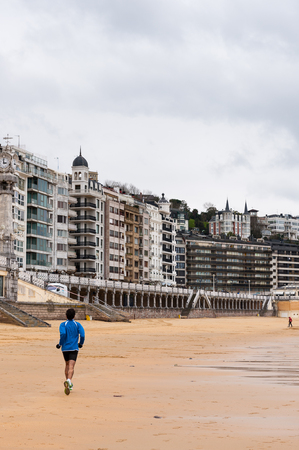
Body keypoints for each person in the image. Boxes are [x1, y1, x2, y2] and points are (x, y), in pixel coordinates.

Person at [56, 308, 85, 395]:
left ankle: (68, 384)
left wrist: (60, 344)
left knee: (67, 365)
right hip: (74, 348)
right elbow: (82, 335)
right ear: (74, 316)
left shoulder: (63, 324)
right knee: (71, 366)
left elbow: (63, 334)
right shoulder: (77, 324)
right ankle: (69, 380)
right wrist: (81, 343)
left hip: (65, 348)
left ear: (66, 316)